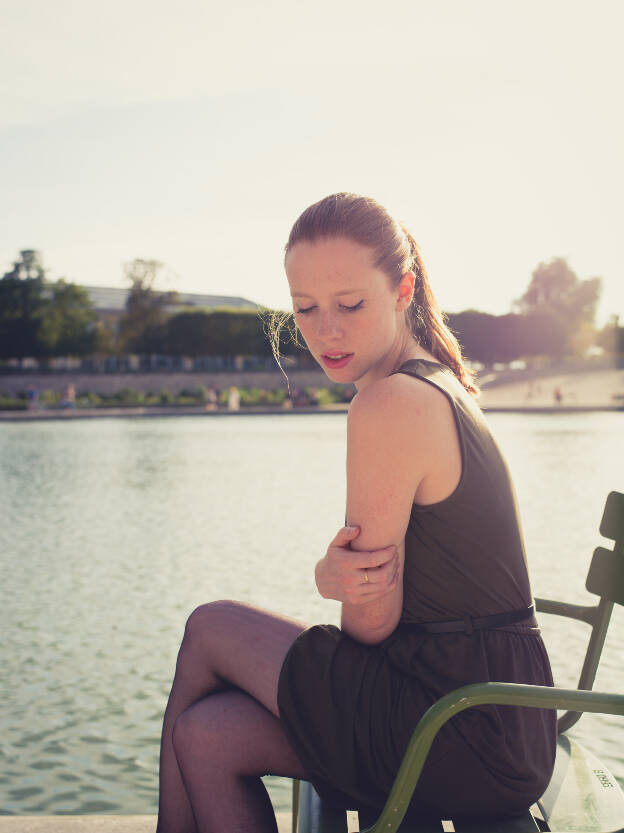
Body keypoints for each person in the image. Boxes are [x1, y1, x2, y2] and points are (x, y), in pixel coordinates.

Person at [156, 193, 556, 833]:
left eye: (350, 305)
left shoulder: (390, 402)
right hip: (493, 717)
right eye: (305, 309)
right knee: (209, 735)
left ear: (403, 291)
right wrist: (343, 582)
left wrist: (331, 580)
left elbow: (370, 624)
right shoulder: (436, 381)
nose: (326, 331)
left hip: (458, 722)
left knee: (211, 627)